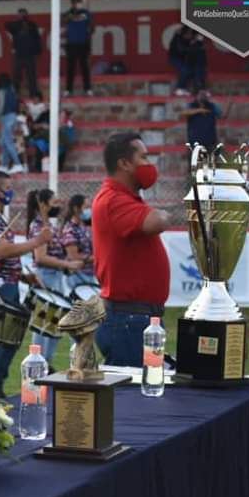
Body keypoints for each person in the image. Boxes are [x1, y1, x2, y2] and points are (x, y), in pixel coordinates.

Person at [91, 132, 170, 368]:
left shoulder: (126, 198)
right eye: (143, 157)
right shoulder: (114, 199)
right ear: (124, 163)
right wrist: (165, 213)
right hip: (129, 320)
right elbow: (157, 221)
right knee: (131, 398)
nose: (149, 165)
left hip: (136, 318)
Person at [0, 170, 51, 396]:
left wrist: (22, 275)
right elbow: (3, 251)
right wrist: (37, 241)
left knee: (7, 342)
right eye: (7, 187)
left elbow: (2, 254)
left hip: (8, 284)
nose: (10, 192)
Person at [26, 189, 83, 365]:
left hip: (55, 278)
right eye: (54, 202)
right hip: (46, 278)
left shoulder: (49, 225)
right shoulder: (38, 226)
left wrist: (66, 265)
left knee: (53, 327)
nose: (58, 206)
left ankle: (46, 365)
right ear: (43, 204)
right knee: (43, 328)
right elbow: (40, 257)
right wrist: (66, 264)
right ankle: (37, 366)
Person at [60, 193, 96, 291]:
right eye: (86, 207)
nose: (89, 210)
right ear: (76, 208)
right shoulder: (70, 229)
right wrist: (96, 258)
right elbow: (73, 256)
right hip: (78, 276)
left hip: (89, 274)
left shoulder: (83, 227)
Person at [5, 8, 42, 96]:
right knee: (16, 75)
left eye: (24, 14)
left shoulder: (32, 25)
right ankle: (15, 92)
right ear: (18, 15)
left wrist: (38, 50)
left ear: (27, 15)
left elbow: (37, 38)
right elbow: (7, 25)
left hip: (30, 54)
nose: (22, 16)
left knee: (31, 76)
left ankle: (33, 93)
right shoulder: (15, 26)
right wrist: (19, 22)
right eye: (20, 14)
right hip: (19, 54)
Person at [63, 0, 93, 96]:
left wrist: (88, 32)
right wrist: (72, 13)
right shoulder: (67, 13)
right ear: (72, 3)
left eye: (79, 1)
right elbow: (64, 20)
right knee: (70, 68)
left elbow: (91, 25)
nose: (78, 3)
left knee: (84, 67)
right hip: (71, 44)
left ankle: (87, 88)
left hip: (83, 43)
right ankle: (68, 89)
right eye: (76, 1)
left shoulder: (86, 13)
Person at [0, 73, 23, 173]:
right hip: (13, 116)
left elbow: (1, 106)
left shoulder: (2, 91)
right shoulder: (12, 90)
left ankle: (18, 164)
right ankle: (4, 165)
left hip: (6, 117)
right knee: (4, 142)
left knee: (8, 142)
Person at [168, 25, 193, 96]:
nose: (190, 35)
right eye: (188, 33)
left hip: (182, 59)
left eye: (191, 33)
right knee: (185, 70)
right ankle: (179, 89)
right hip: (174, 58)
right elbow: (181, 50)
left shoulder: (189, 40)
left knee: (190, 70)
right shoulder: (178, 38)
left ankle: (184, 89)